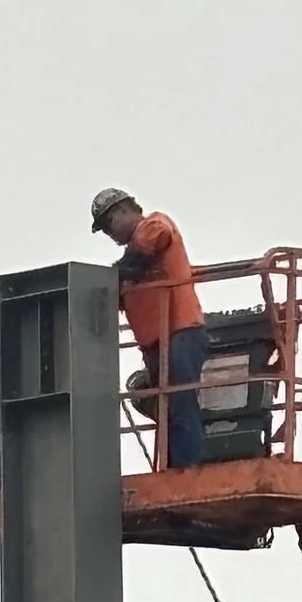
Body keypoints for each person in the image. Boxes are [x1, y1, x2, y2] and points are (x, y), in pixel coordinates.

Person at [91, 189, 207, 469]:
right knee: (167, 408)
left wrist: (114, 275)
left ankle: (185, 471)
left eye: (108, 225)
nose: (109, 233)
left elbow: (154, 239)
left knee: (179, 402)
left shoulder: (153, 225)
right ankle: (172, 468)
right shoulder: (131, 263)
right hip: (157, 344)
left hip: (180, 332)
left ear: (122, 211)